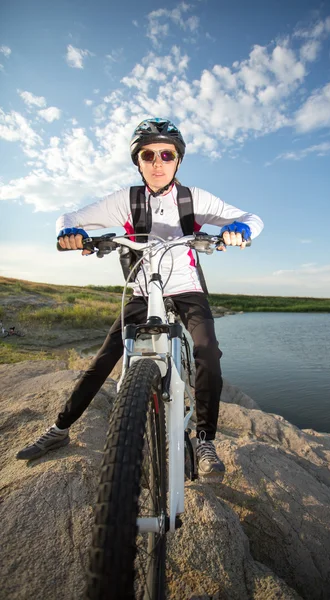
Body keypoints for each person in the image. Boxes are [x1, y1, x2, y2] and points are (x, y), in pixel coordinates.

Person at [16, 118, 264, 481]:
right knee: (104, 359)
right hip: (142, 289)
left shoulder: (194, 199)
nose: (158, 161)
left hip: (186, 288)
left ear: (178, 160)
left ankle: (206, 440)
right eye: (148, 155)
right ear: (138, 161)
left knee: (208, 351)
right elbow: (69, 217)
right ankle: (59, 428)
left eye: (167, 154)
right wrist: (70, 232)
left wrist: (239, 229)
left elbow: (251, 217)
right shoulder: (126, 200)